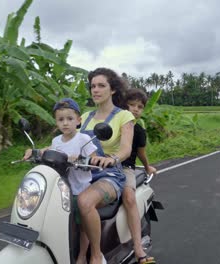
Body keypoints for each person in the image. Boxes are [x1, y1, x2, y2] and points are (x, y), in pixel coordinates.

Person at [23, 98, 98, 259]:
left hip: (80, 189)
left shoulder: (83, 139)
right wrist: (34, 151)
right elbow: (50, 150)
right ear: (56, 122)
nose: (65, 123)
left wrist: (81, 158)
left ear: (78, 121)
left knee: (81, 224)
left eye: (70, 119)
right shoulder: (56, 141)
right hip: (60, 189)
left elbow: (94, 158)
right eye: (61, 119)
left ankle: (82, 255)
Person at [76, 67, 135, 264]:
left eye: (101, 85)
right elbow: (65, 139)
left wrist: (113, 158)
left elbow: (126, 149)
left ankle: (95, 255)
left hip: (109, 175)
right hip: (82, 173)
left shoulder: (124, 116)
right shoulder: (84, 117)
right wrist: (40, 150)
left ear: (113, 90)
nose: (96, 90)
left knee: (84, 202)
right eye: (93, 86)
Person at [121, 88, 157, 264]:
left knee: (129, 198)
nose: (135, 109)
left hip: (126, 168)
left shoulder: (139, 131)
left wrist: (147, 166)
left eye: (139, 107)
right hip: (105, 166)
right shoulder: (114, 124)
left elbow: (141, 154)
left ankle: (137, 248)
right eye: (131, 105)